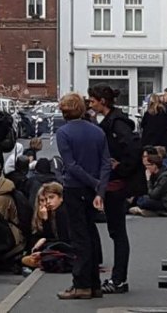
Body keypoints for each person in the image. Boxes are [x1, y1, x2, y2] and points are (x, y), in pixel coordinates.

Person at [53, 93, 109, 300]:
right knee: (92, 234)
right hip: (94, 189)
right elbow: (105, 163)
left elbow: (71, 165)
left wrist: (92, 182)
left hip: (75, 188)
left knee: (79, 237)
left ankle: (81, 284)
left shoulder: (63, 133)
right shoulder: (97, 132)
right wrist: (99, 187)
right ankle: (94, 284)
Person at [87, 85, 142, 295]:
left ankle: (119, 279)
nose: (90, 104)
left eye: (93, 100)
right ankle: (118, 278)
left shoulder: (116, 124)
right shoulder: (112, 121)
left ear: (102, 101)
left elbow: (134, 147)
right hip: (116, 182)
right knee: (116, 232)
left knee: (118, 233)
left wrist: (122, 166)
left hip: (117, 184)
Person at [21, 181, 72, 270]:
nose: (47, 202)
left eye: (51, 198)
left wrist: (45, 221)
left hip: (71, 249)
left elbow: (62, 240)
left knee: (44, 246)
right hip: (65, 246)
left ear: (61, 197)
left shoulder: (62, 212)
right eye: (43, 200)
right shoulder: (57, 211)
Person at [129, 153, 167, 217]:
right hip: (165, 199)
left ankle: (143, 210)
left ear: (154, 165)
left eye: (147, 165)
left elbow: (154, 195)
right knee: (140, 198)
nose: (146, 168)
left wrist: (148, 179)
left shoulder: (166, 178)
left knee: (144, 201)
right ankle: (143, 209)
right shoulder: (159, 174)